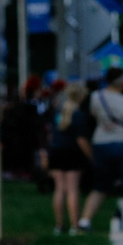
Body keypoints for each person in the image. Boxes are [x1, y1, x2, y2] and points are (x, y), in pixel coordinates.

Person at [79, 66, 123, 240]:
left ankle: (84, 221)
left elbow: (95, 116)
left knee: (100, 186)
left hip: (102, 144)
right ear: (122, 81)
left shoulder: (96, 97)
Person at [46, 81, 90, 234]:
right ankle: (74, 225)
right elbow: (81, 139)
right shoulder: (78, 115)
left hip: (56, 151)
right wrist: (91, 155)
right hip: (72, 153)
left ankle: (59, 225)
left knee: (59, 189)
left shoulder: (57, 112)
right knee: (72, 189)